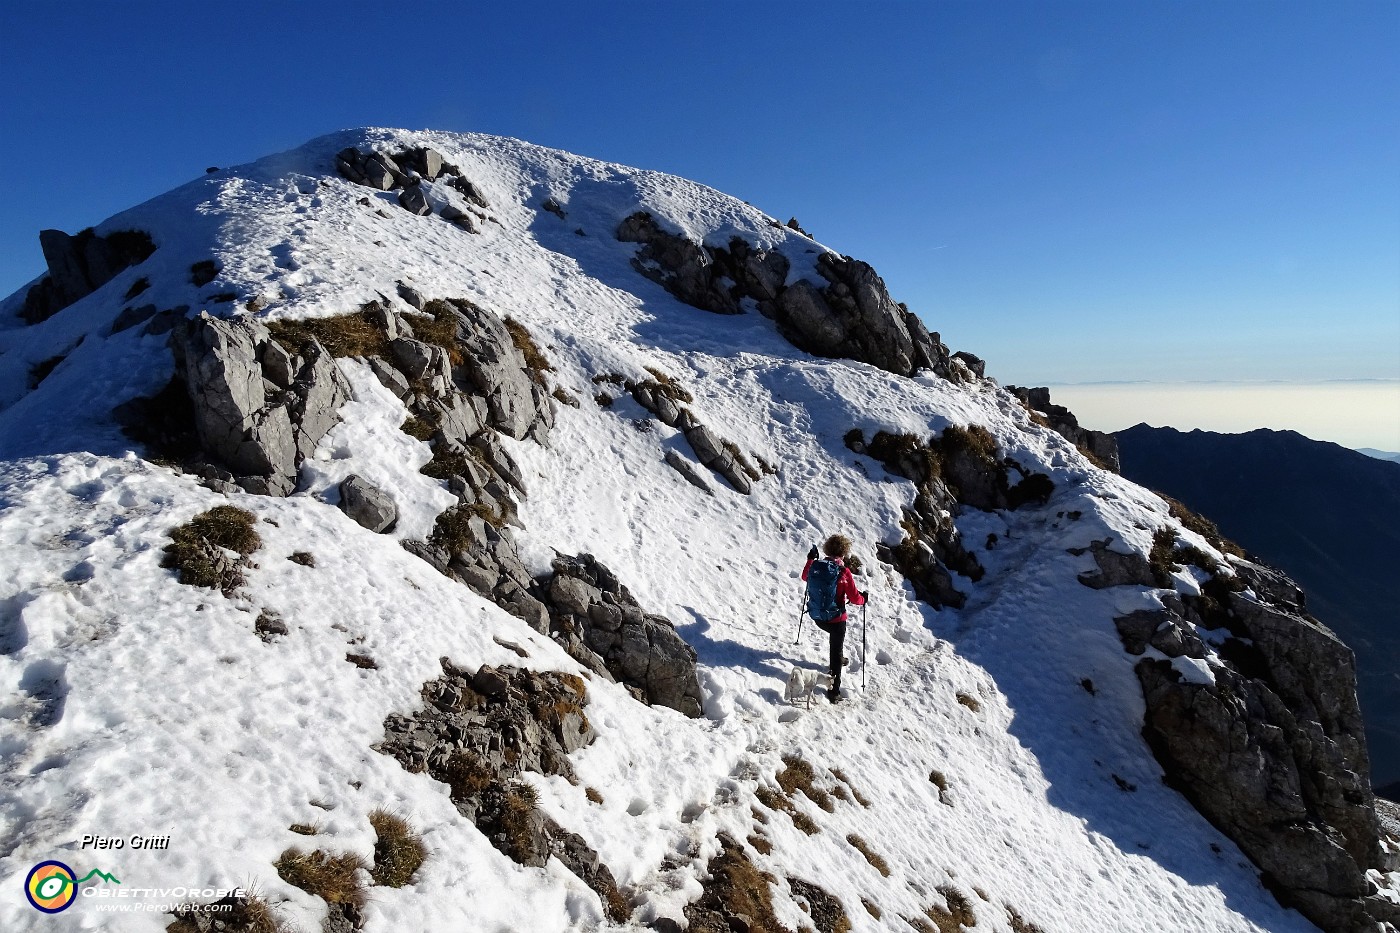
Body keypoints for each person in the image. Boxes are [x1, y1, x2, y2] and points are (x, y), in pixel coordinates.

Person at [802, 535, 866, 701]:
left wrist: (810, 559)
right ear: (843, 553)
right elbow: (854, 598)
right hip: (836, 621)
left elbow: (805, 577)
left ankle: (839, 659)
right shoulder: (843, 572)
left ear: (827, 550)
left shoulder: (815, 566)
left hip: (817, 617)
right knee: (835, 651)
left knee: (836, 648)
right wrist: (864, 598)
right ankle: (834, 691)